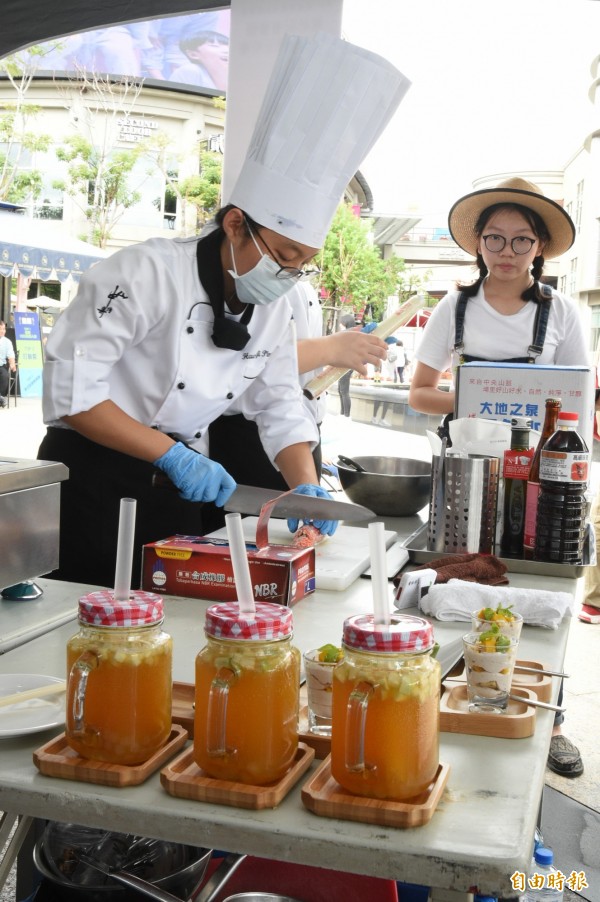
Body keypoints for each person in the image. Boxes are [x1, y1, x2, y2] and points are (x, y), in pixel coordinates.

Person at [38, 31, 409, 589]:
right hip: (92, 478)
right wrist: (172, 455)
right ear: (235, 223)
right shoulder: (144, 273)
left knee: (174, 625)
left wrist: (304, 485)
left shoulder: (273, 302)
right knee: (91, 631)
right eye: (282, 255)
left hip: (180, 489)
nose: (287, 275)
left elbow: (280, 399)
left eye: (301, 264)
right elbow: (74, 394)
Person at [408, 176, 589, 779]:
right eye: (494, 239)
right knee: (464, 585)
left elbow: (579, 399)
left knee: (541, 594)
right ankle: (454, 701)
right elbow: (419, 392)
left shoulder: (561, 313)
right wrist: (477, 399)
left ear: (539, 247)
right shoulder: (452, 307)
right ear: (477, 245)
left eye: (520, 240)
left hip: (541, 478)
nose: (506, 252)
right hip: (467, 474)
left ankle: (550, 717)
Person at [209, 285, 387, 491]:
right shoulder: (257, 285)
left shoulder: (303, 284)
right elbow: (251, 363)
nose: (297, 266)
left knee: (308, 513)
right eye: (290, 256)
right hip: (246, 435)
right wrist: (330, 348)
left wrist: (346, 346)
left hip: (303, 430)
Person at [0, 320, 16, 408]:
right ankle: (1, 399)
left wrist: (12, 364)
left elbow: (11, 355)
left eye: (4, 329)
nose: (2, 331)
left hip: (1, 366)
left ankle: (1, 397)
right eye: (0, 329)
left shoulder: (7, 342)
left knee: (5, 376)